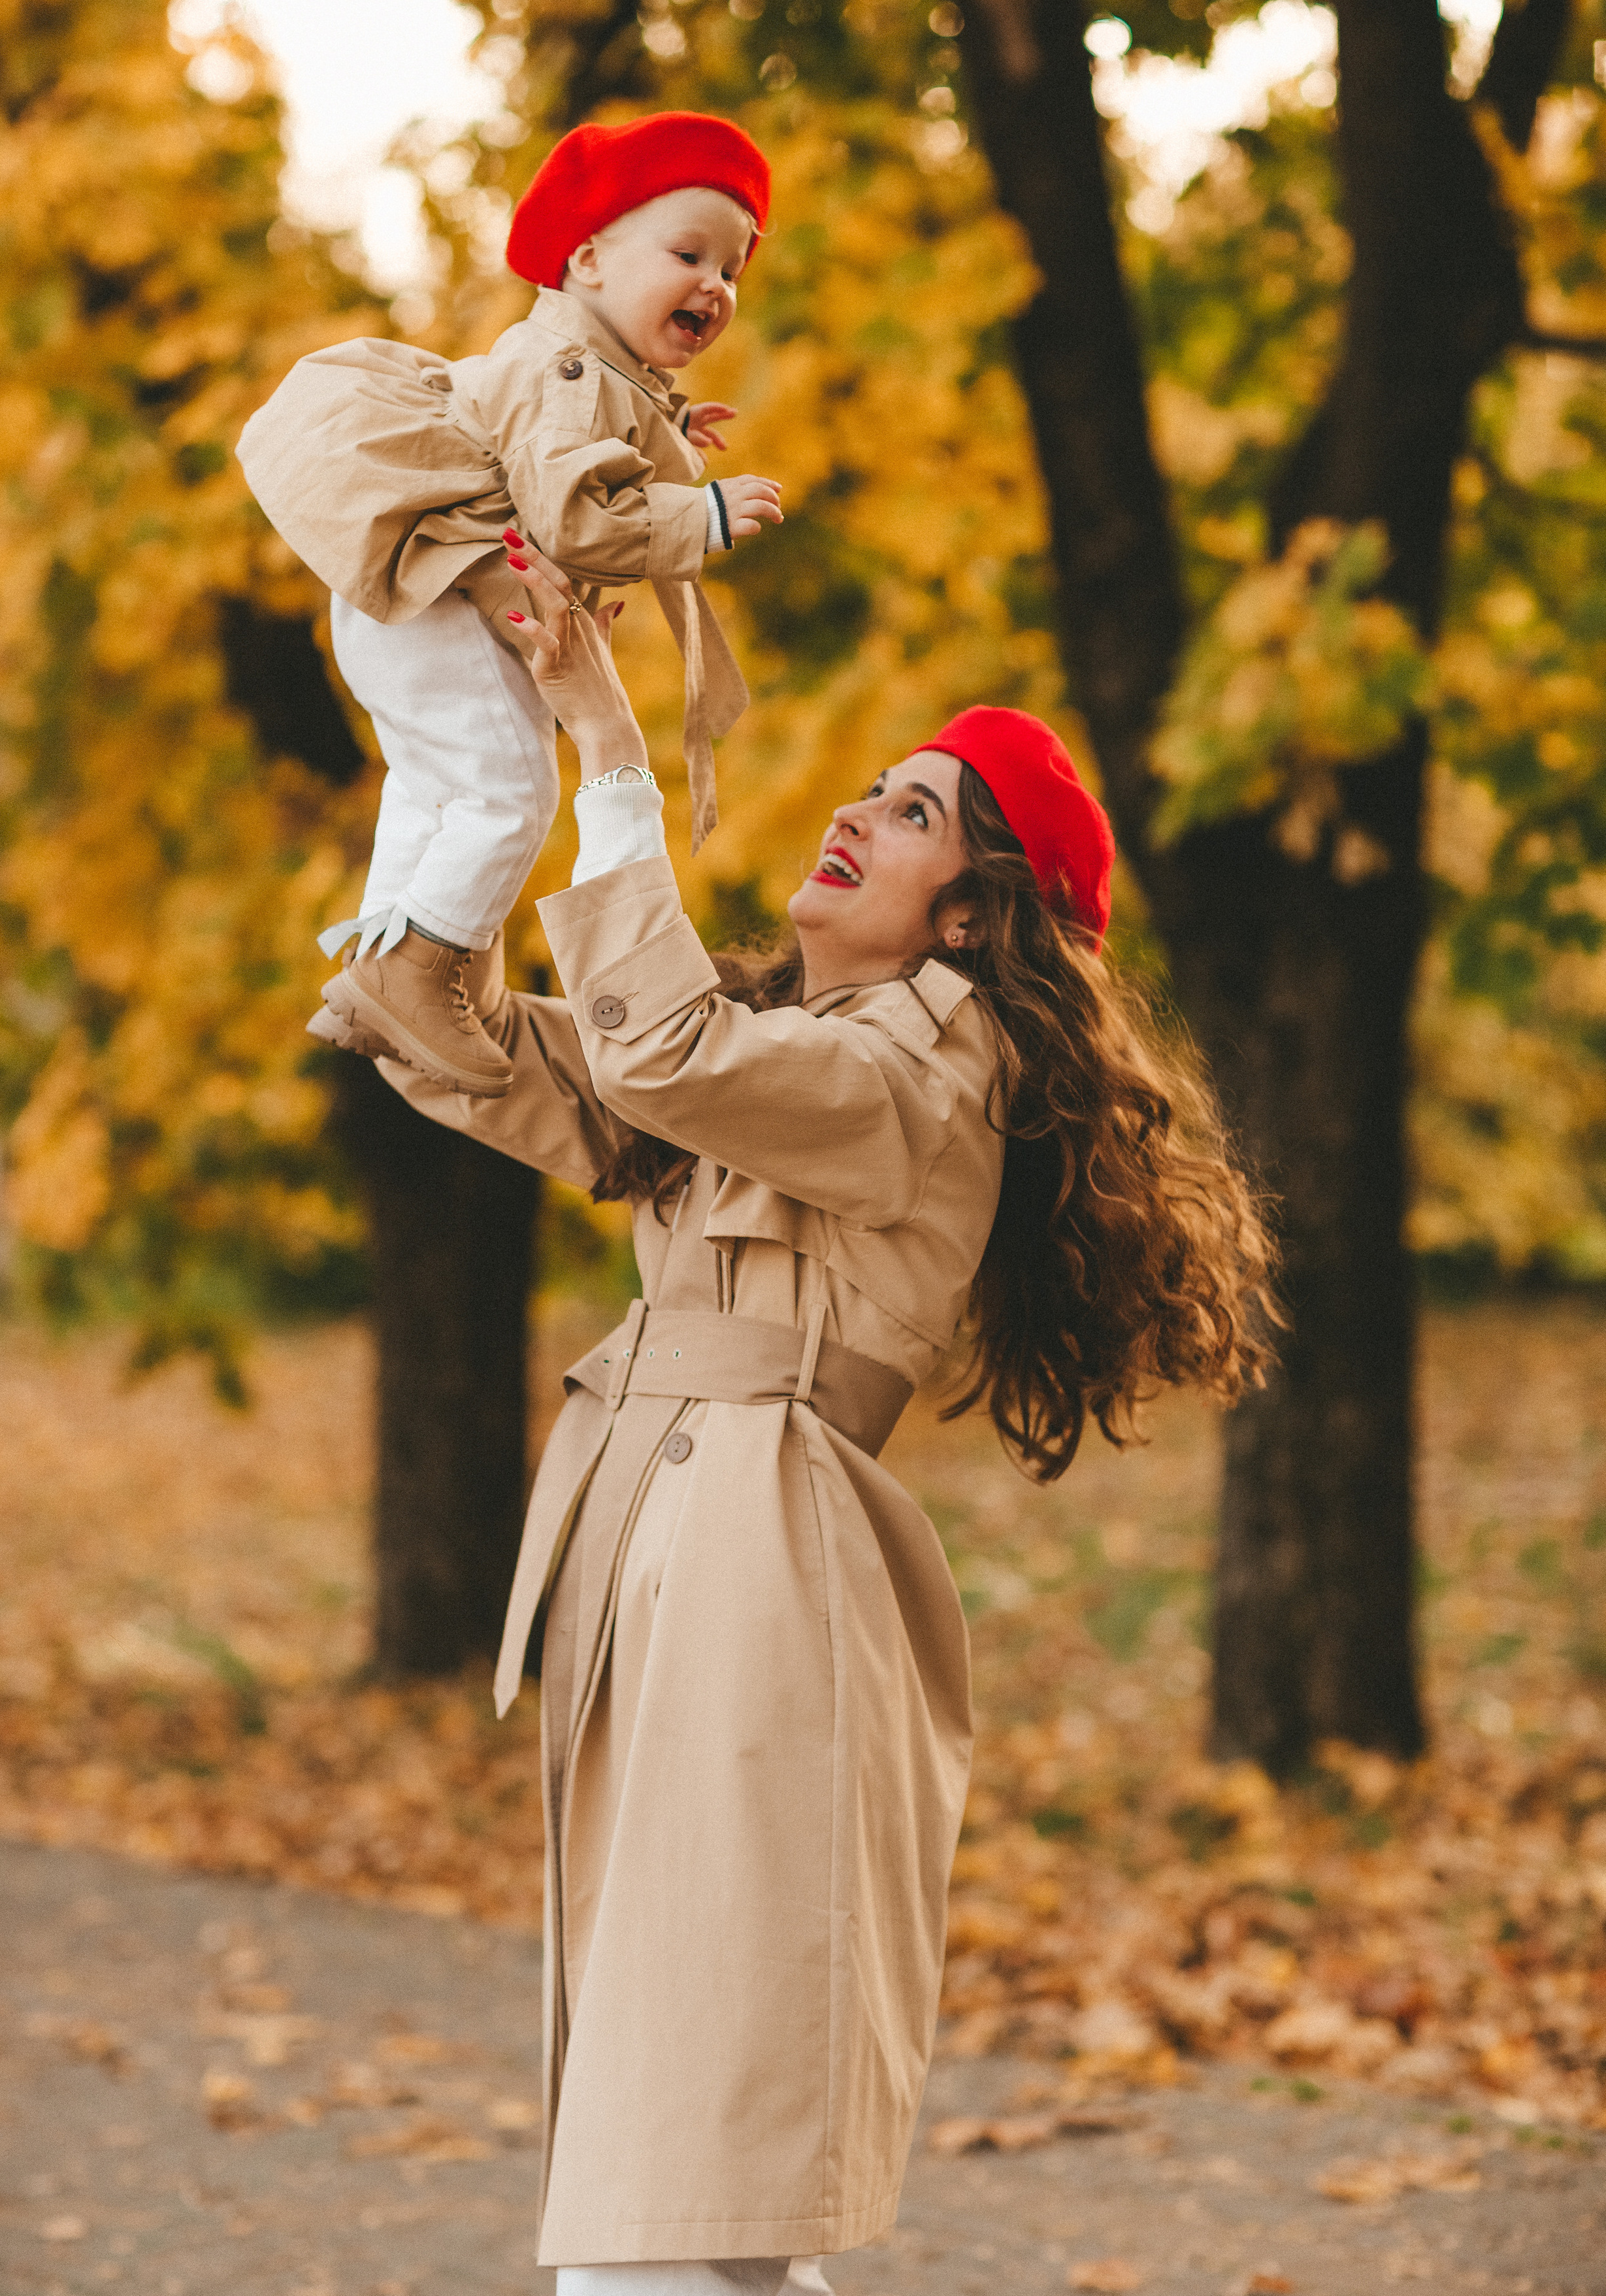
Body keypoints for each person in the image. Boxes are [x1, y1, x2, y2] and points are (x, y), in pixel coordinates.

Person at [357, 541, 1276, 2295]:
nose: (861, 809)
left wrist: (610, 754)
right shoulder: (794, 1052)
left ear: (968, 913)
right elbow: (527, 1060)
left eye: (920, 813)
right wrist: (467, 789)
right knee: (702, 2194)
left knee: (673, 2199)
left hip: (762, 1573)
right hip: (676, 1552)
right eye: (874, 785)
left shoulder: (932, 1065)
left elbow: (661, 1057)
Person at [237, 111, 783, 1101]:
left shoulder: (591, 371)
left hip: (420, 591)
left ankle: (379, 961)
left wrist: (665, 430)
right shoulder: (569, 371)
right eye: (689, 252)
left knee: (434, 783)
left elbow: (579, 434)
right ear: (585, 262)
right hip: (452, 589)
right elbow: (573, 515)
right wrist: (694, 514)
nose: (716, 284)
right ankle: (421, 967)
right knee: (513, 792)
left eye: (733, 270)